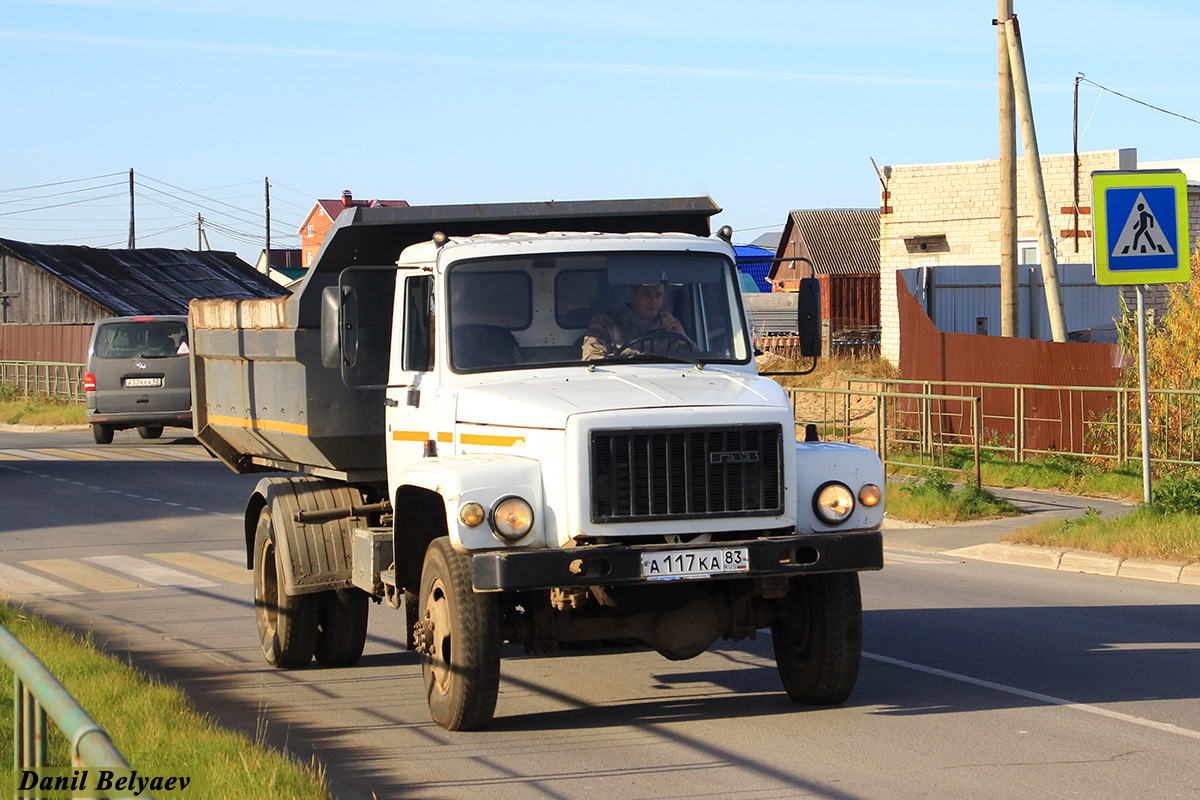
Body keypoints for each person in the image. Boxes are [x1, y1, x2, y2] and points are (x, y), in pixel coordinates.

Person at [581, 283, 694, 360]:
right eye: (647, 294)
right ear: (633, 295)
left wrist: (682, 337)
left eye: (658, 295)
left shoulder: (669, 327)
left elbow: (697, 364)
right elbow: (591, 357)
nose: (653, 300)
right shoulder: (606, 322)